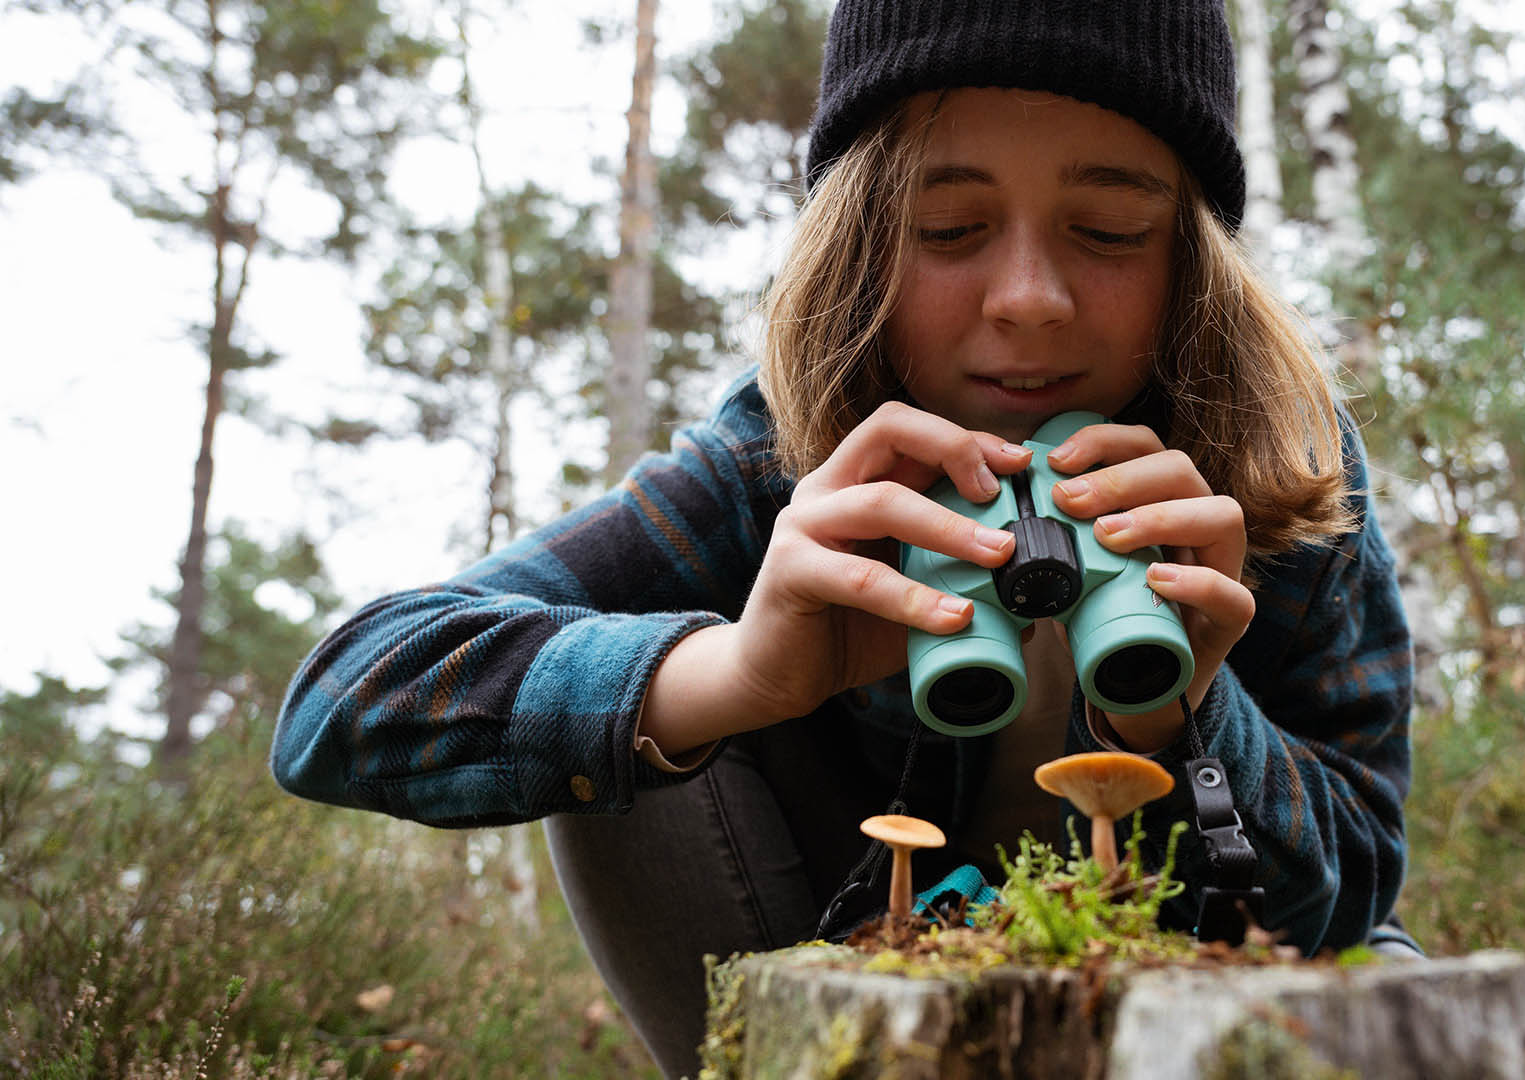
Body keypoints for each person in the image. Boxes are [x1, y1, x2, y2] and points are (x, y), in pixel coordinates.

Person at [272, 1, 1418, 1074]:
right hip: (843, 1010)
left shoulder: (1278, 469)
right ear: (860, 241)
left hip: (1211, 1004)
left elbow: (1356, 883)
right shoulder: (776, 462)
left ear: (1193, 263)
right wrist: (733, 672)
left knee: (1407, 1005)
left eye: (1111, 229)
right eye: (948, 225)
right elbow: (341, 704)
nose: (1029, 297)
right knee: (629, 709)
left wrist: (1187, 725)